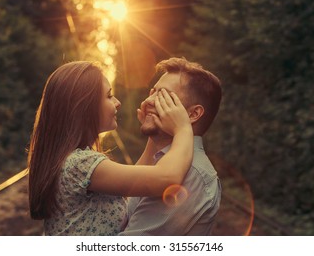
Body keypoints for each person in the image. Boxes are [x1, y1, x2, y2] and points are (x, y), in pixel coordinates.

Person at [27, 61, 193, 236]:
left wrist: (153, 133)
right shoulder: (80, 164)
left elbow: (133, 183)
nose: (117, 102)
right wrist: (183, 128)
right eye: (109, 96)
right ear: (84, 106)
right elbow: (166, 179)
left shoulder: (72, 161)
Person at [119, 57, 222, 235]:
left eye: (163, 96)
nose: (148, 101)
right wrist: (153, 130)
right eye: (152, 92)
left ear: (193, 114)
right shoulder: (162, 160)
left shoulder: (191, 174)